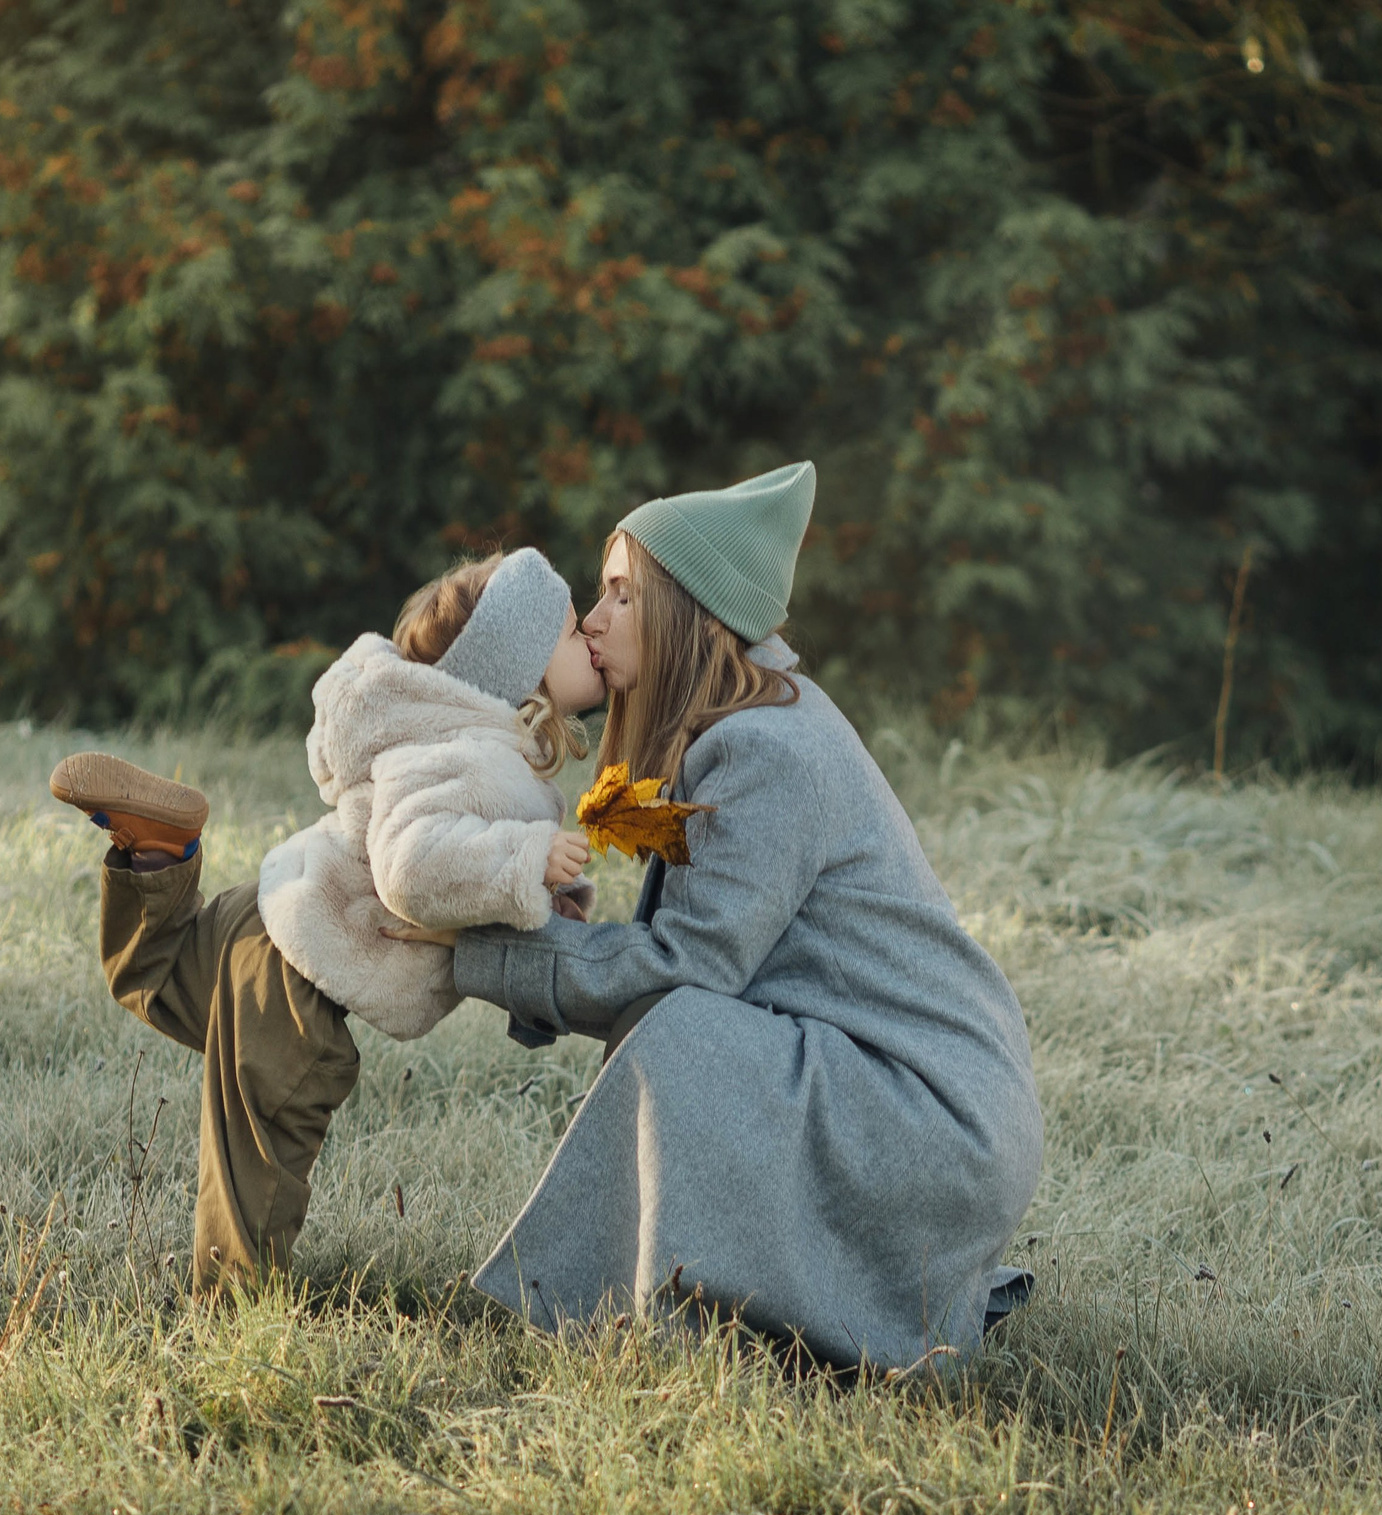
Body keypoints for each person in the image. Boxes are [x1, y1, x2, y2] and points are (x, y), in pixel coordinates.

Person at [405, 463, 1044, 1371]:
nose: (591, 620)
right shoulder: (745, 726)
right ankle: (679, 1311)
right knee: (691, 1031)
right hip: (907, 1096)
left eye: (621, 595)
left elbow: (686, 970)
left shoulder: (765, 750)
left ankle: (641, 1326)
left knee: (686, 1034)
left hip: (932, 1122)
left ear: (689, 614)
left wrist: (476, 956)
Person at [49, 548, 606, 1292]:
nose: (593, 637)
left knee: (151, 974)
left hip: (271, 913)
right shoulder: (479, 757)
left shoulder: (436, 732)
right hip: (309, 972)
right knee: (263, 1146)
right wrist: (525, 859)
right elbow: (412, 869)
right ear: (524, 666)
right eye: (573, 632)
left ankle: (157, 853)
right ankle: (235, 1320)